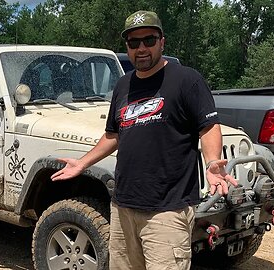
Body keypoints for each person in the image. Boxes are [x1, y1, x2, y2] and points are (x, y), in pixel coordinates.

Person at [51, 10, 238, 270]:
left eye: (149, 40)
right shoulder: (123, 85)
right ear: (127, 47)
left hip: (167, 212)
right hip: (123, 207)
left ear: (162, 41)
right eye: (133, 42)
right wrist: (83, 163)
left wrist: (212, 161)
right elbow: (113, 135)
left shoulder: (186, 80)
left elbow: (208, 127)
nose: (141, 48)